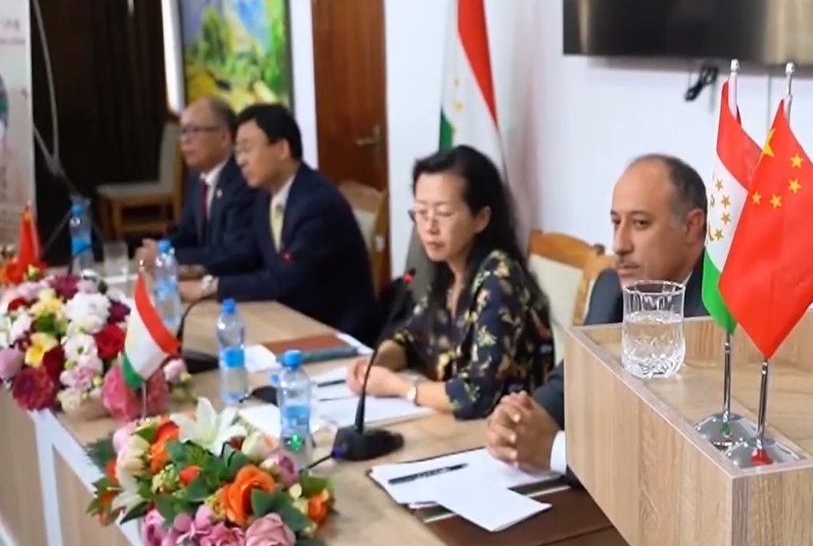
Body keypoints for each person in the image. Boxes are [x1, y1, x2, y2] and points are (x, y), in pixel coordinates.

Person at [485, 152, 707, 546]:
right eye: (615, 222)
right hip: (606, 525)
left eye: (640, 223)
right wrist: (523, 416)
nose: (619, 244)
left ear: (692, 228)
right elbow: (570, 379)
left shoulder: (721, 313)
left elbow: (678, 457)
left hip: (685, 544)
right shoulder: (613, 288)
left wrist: (558, 451)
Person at [341, 146, 555, 420]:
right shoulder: (450, 272)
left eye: (442, 213)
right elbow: (410, 340)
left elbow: (477, 395)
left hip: (508, 434)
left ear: (481, 218)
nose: (429, 227)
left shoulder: (500, 279)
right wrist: (375, 364)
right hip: (458, 429)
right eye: (421, 212)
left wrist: (399, 387)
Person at [179, 103, 376, 340]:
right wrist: (197, 270)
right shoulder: (266, 197)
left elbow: (288, 280)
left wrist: (210, 287)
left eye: (247, 149)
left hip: (336, 334)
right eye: (237, 152)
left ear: (282, 149)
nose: (240, 161)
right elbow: (249, 255)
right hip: (291, 319)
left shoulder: (317, 204)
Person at [140, 96, 257, 278]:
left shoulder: (242, 180)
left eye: (193, 130)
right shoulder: (197, 177)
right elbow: (187, 232)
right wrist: (160, 248)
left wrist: (169, 256)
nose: (184, 141)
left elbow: (234, 251)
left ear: (224, 137)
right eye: (182, 132)